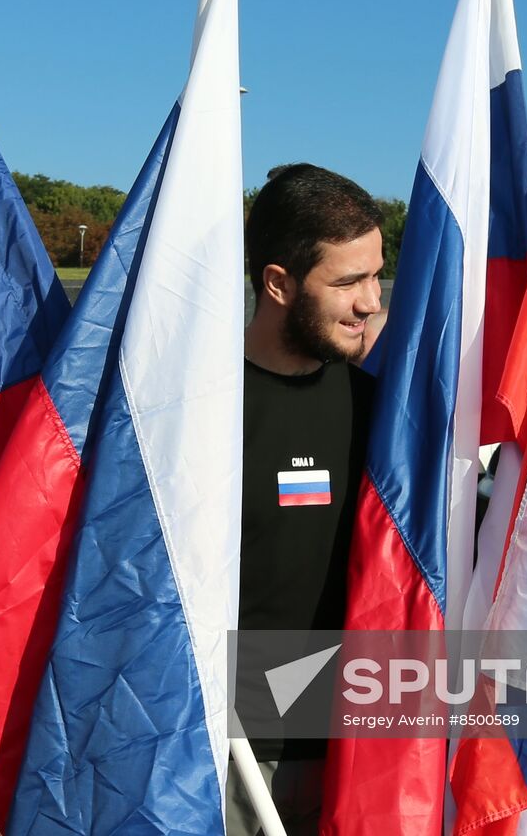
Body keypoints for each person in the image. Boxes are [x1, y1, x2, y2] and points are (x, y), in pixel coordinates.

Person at [229, 163, 383, 835]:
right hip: (230, 756)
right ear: (279, 284)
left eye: (376, 274)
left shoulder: (380, 413)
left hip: (364, 754)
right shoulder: (200, 417)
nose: (371, 301)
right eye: (348, 281)